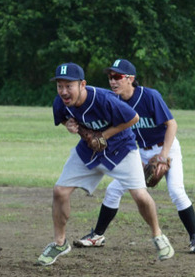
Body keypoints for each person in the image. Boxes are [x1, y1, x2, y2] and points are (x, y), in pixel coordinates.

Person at [36, 62, 174, 266]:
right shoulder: (61, 102)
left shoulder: (104, 99)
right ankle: (59, 243)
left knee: (140, 195)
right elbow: (64, 119)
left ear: (82, 84)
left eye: (69, 86)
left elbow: (133, 118)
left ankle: (158, 235)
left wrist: (103, 135)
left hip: (122, 150)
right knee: (60, 191)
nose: (64, 91)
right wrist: (70, 125)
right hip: (88, 152)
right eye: (60, 86)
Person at [74, 58, 195, 254]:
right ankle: (97, 235)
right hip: (138, 152)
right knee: (114, 190)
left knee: (176, 191)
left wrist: (163, 155)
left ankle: (194, 237)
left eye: (117, 77)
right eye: (110, 77)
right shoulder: (114, 101)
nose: (112, 81)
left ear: (130, 79)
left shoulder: (149, 96)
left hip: (166, 148)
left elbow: (172, 125)